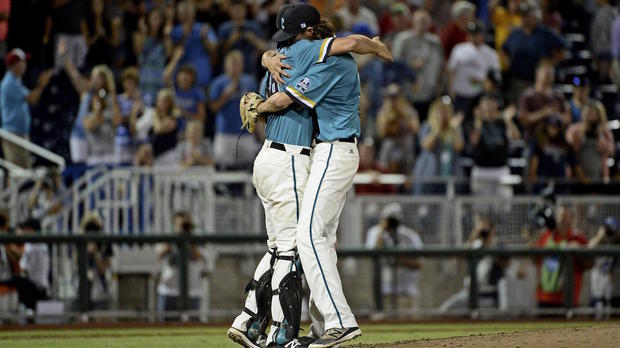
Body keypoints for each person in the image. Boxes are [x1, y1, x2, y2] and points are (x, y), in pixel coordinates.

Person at [229, 4, 391, 347]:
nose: (286, 51)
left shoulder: (329, 58)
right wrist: (265, 56)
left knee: (306, 238)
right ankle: (319, 326)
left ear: (311, 33)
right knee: (317, 241)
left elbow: (285, 98)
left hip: (333, 150)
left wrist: (259, 98)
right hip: (320, 152)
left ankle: (335, 322)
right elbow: (280, 55)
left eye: (294, 42)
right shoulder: (306, 53)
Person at [502, 1, 568, 103]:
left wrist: (551, 63)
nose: (524, 18)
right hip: (518, 80)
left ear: (536, 16)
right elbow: (504, 50)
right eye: (522, 15)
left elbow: (563, 47)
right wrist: (509, 63)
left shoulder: (545, 33)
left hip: (539, 82)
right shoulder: (515, 34)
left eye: (527, 15)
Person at [439, 217, 507, 311]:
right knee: (445, 310)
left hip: (488, 295)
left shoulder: (498, 245)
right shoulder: (476, 245)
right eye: (481, 228)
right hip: (470, 292)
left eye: (485, 229)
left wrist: (489, 241)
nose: (483, 232)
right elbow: (460, 257)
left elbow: (505, 262)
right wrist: (473, 236)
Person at [365, 204, 423, 313]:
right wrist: (382, 229)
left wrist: (399, 261)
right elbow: (373, 251)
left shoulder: (409, 235)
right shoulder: (375, 232)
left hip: (407, 290)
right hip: (385, 290)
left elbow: (419, 263)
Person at [0, 48, 52, 168]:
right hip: (12, 134)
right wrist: (41, 85)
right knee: (18, 172)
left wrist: (40, 86)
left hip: (19, 133)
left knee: (24, 170)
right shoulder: (9, 82)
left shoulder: (17, 81)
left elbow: (33, 99)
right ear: (14, 64)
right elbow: (32, 99)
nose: (25, 64)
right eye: (22, 61)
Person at [391, 9, 444, 122]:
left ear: (430, 24)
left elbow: (441, 65)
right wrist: (410, 65)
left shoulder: (435, 41)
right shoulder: (403, 39)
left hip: (429, 92)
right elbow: (394, 63)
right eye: (420, 21)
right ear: (413, 21)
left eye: (425, 22)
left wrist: (440, 84)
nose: (422, 24)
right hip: (407, 92)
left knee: (427, 124)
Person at [531, 206, 589, 309]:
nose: (561, 219)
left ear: (571, 219)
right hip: (544, 296)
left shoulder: (577, 238)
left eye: (565, 216)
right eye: (559, 216)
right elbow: (534, 259)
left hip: (567, 298)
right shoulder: (546, 235)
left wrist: (578, 251)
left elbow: (589, 264)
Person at [210, 50, 259, 170]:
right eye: (232, 64)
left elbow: (256, 108)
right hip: (225, 133)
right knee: (224, 169)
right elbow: (213, 107)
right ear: (226, 65)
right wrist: (226, 95)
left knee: (248, 169)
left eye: (237, 64)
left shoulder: (250, 82)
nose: (234, 67)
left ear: (242, 65)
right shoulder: (219, 83)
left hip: (246, 133)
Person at [156, 211, 206, 320]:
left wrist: (191, 242)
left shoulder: (197, 238)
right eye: (180, 225)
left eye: (186, 225)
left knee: (193, 327)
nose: (183, 228)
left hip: (192, 292)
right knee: (163, 327)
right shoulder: (169, 237)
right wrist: (173, 240)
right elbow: (158, 255)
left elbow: (202, 258)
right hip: (168, 290)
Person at [469, 93, 520, 198]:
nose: (489, 105)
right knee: (480, 209)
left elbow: (516, 137)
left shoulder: (503, 121)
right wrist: (478, 123)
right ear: (480, 105)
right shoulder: (474, 122)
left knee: (504, 208)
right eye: (486, 102)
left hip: (500, 169)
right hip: (481, 170)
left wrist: (508, 120)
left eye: (491, 102)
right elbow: (473, 142)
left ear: (496, 104)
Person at [448, 20, 501, 122]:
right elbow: (451, 70)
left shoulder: (491, 54)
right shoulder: (459, 49)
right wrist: (451, 89)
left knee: (477, 122)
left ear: (482, 35)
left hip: (479, 95)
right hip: (460, 94)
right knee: (458, 121)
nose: (473, 37)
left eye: (476, 34)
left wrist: (482, 81)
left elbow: (495, 79)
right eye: (471, 34)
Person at [413, 97, 464, 195]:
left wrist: (452, 129)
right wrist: (438, 128)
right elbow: (426, 146)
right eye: (440, 110)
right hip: (429, 176)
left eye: (445, 110)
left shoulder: (455, 128)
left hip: (450, 174)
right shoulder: (427, 126)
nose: (443, 114)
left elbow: (459, 147)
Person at [168, 0, 217, 89]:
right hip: (181, 81)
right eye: (183, 12)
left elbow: (214, 50)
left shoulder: (204, 28)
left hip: (202, 79)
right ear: (179, 14)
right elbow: (170, 54)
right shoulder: (174, 31)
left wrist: (204, 38)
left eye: (188, 11)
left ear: (194, 12)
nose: (186, 15)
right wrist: (185, 35)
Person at [565, 100, 615, 186]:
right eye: (589, 112)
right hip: (578, 174)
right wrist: (580, 134)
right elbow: (569, 144)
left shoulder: (604, 131)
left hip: (599, 173)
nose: (591, 115)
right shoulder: (575, 129)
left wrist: (600, 136)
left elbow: (611, 151)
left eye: (594, 112)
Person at [518, 60, 570, 141]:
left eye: (550, 73)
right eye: (546, 73)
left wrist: (558, 116)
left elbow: (567, 119)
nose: (548, 76)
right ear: (537, 74)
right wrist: (543, 113)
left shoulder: (558, 96)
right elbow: (523, 120)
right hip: (533, 140)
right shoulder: (528, 96)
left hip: (555, 141)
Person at [376, 83, 419, 174]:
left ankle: (408, 179)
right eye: (390, 97)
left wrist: (402, 114)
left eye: (395, 97)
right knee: (388, 145)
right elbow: (381, 133)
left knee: (408, 142)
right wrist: (388, 117)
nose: (393, 100)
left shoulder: (409, 110)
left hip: (405, 145)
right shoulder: (383, 112)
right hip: (390, 147)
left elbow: (416, 129)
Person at [130, 88, 179, 165]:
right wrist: (134, 112)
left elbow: (159, 129)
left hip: (167, 155)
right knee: (142, 151)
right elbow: (135, 130)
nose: (162, 103)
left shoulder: (173, 117)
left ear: (170, 102)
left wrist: (155, 115)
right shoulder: (153, 114)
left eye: (165, 101)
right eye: (160, 100)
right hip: (154, 155)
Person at [217, 0, 265, 78]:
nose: (237, 12)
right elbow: (219, 53)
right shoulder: (224, 28)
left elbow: (264, 48)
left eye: (240, 9)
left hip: (249, 69)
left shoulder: (254, 26)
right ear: (230, 11)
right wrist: (230, 41)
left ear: (245, 10)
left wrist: (253, 40)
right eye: (235, 9)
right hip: (229, 70)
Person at [75, 212, 113, 310]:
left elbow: (103, 270)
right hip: (82, 289)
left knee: (100, 321)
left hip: (101, 290)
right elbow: (77, 263)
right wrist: (85, 252)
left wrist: (96, 253)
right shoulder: (80, 243)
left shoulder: (105, 244)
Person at [135, 7, 170, 106]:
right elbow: (138, 50)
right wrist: (144, 32)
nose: (155, 21)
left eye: (158, 18)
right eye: (153, 18)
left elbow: (168, 54)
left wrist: (167, 34)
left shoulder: (165, 39)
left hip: (159, 81)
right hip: (144, 81)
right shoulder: (139, 36)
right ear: (148, 19)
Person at [13, 219, 49, 311]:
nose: (23, 231)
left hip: (36, 289)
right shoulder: (31, 244)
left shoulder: (37, 246)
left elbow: (25, 270)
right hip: (34, 287)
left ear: (32, 230)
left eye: (26, 229)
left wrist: (11, 249)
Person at [588, 217, 620, 318]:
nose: (609, 232)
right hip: (598, 285)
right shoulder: (599, 242)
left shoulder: (618, 243)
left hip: (614, 286)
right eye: (607, 228)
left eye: (610, 229)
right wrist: (600, 236)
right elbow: (588, 248)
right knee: (596, 312)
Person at [0, 212, 18, 322]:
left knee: (11, 320)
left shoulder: (7, 238)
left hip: (9, 284)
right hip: (3, 285)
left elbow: (16, 257)